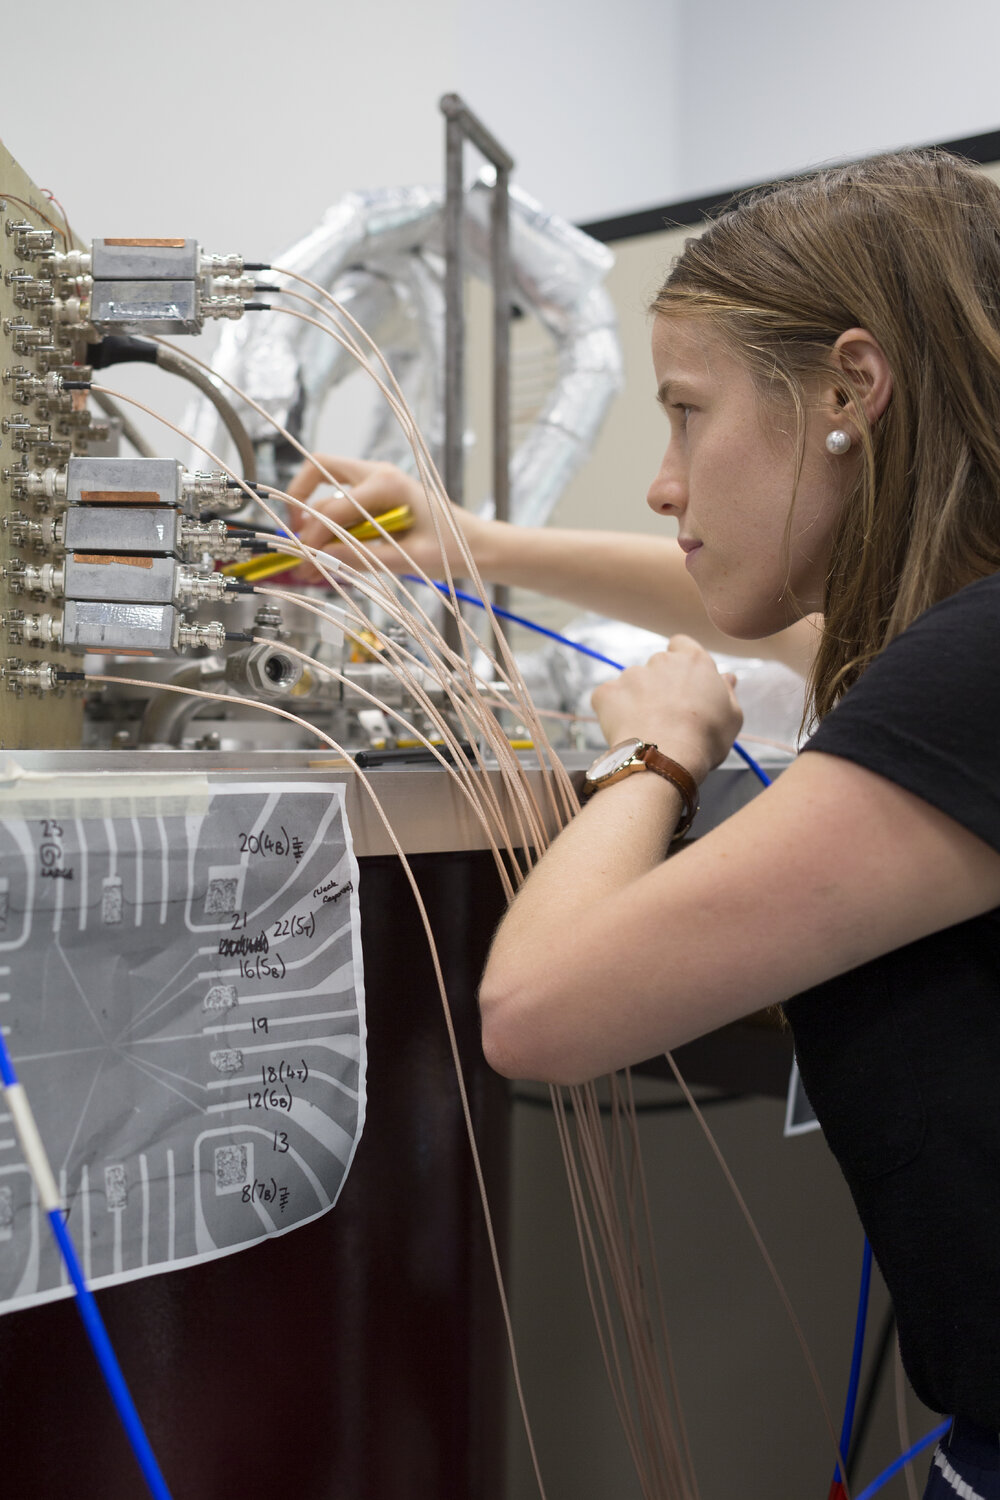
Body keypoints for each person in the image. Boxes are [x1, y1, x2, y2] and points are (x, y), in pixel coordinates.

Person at [291, 150, 1000, 1498]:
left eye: (687, 414)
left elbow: (542, 1008)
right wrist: (469, 544)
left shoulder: (971, 674)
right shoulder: (965, 627)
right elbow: (778, 611)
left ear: (852, 390)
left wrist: (653, 759)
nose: (666, 486)